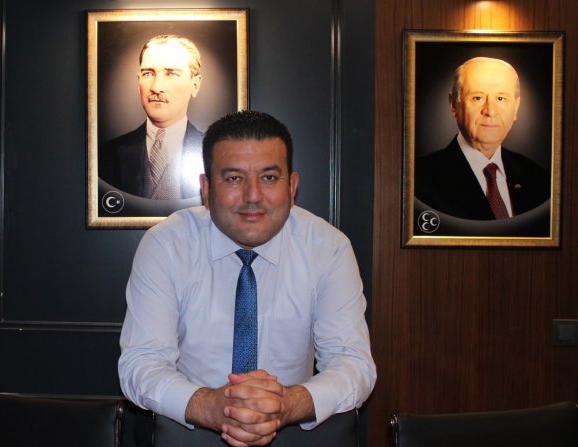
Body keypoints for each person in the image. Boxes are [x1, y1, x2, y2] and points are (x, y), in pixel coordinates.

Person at [119, 110, 376, 446]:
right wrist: (211, 407)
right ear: (206, 189)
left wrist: (285, 404)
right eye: (233, 178)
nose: (253, 196)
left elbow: (353, 364)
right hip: (189, 430)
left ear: (292, 187)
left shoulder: (328, 248)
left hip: (290, 431)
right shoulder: (165, 245)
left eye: (269, 177)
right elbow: (141, 364)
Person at [415, 56, 549, 222]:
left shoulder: (538, 178)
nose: (490, 111)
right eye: (477, 98)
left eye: (500, 98)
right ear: (453, 104)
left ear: (516, 107)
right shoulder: (419, 180)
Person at [99, 34, 204, 200]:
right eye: (148, 73)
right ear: (138, 82)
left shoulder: (216, 152)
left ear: (195, 85)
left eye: (171, 74)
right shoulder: (106, 154)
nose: (156, 87)